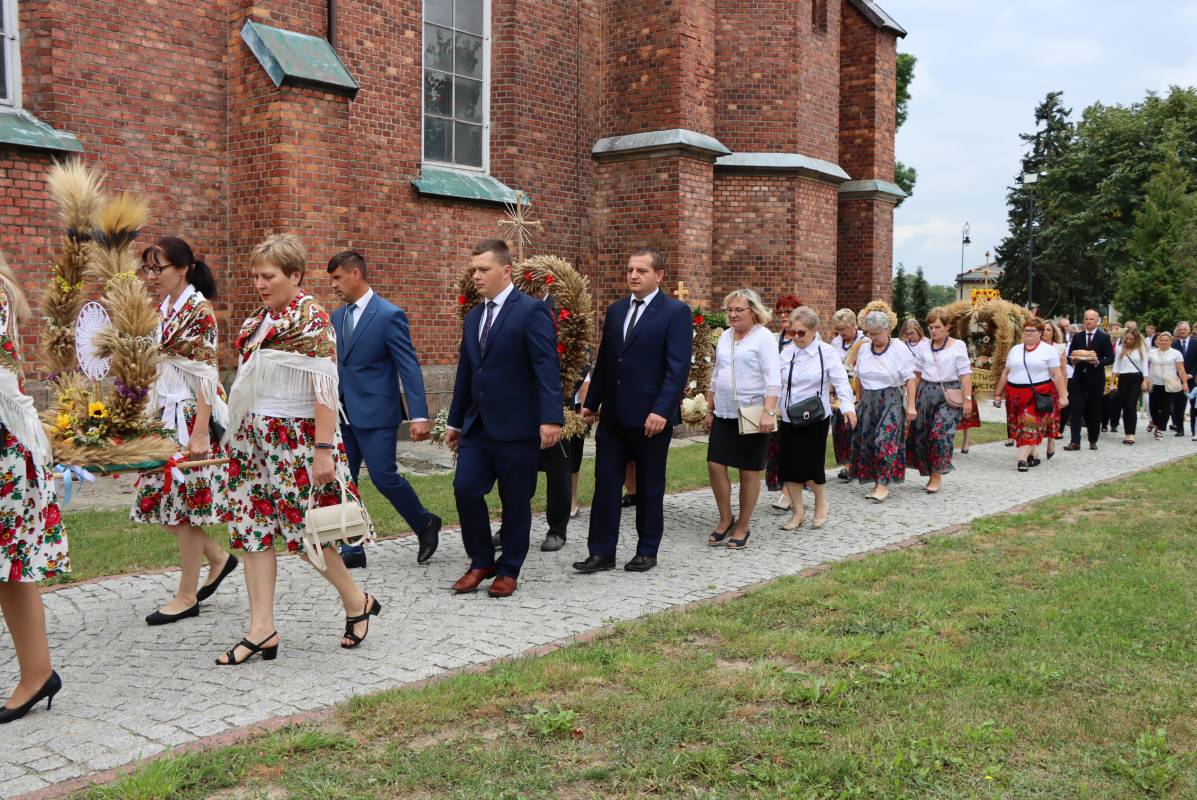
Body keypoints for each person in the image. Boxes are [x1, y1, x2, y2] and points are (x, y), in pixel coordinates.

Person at [218, 234, 381, 664]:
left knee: (308, 533)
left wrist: (323, 450)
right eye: (255, 276)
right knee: (252, 530)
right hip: (252, 441)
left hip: (296, 442)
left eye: (268, 276)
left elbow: (325, 390)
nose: (259, 284)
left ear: (295, 275)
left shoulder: (311, 320)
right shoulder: (258, 322)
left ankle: (356, 600)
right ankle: (262, 629)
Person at [445, 239, 563, 597]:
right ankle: (481, 560)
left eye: (484, 269)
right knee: (465, 488)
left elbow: (546, 367)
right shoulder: (474, 317)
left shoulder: (531, 311)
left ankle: (509, 568)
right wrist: (455, 422)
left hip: (518, 427)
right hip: (478, 426)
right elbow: (467, 372)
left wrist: (551, 418)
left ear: (506, 270)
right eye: (474, 270)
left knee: (515, 501)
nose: (476, 276)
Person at [131, 238, 237, 626]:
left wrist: (200, 432)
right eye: (148, 268)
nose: (152, 275)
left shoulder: (199, 310)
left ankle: (187, 595)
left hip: (192, 415)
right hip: (165, 415)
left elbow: (206, 374)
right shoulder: (166, 308)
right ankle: (218, 558)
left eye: (158, 268)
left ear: (183, 268)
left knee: (187, 511)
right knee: (156, 501)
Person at [573, 248, 692, 573]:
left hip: (651, 417)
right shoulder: (616, 311)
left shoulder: (675, 312)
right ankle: (601, 553)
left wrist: (662, 410)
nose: (634, 275)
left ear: (659, 275)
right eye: (630, 270)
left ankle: (647, 550)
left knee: (649, 486)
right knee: (605, 485)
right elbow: (606, 360)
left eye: (641, 270)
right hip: (613, 416)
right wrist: (591, 402)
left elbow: (677, 368)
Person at [327, 251, 440, 568]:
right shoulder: (336, 317)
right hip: (342, 413)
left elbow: (409, 366)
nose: (333, 285)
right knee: (343, 481)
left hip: (377, 414)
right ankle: (352, 547)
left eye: (337, 278)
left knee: (383, 477)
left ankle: (425, 523)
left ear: (355, 274)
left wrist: (419, 416)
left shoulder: (389, 315)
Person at [0, 256, 68, 723]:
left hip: (7, 445)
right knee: (9, 569)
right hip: (10, 440)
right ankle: (37, 672)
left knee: (11, 567)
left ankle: (37, 674)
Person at [703, 289, 781, 550]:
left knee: (748, 469)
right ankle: (726, 518)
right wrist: (709, 408)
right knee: (715, 464)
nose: (733, 314)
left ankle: (743, 525)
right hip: (724, 411)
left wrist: (769, 412)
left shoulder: (764, 337)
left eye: (739, 310)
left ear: (754, 311)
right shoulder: (725, 336)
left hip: (753, 411)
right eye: (730, 310)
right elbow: (717, 373)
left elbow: (773, 378)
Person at [777, 306, 855, 530]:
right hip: (790, 417)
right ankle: (798, 512)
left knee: (812, 464)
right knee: (790, 465)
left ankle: (821, 504)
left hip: (816, 417)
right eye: (792, 332)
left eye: (801, 333)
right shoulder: (786, 353)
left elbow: (841, 381)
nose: (796, 337)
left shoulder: (826, 352)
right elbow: (775, 382)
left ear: (813, 331)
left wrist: (847, 407)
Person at [848, 310, 918, 502]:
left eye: (877, 333)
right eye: (870, 333)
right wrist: (858, 400)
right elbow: (859, 377)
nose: (873, 337)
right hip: (869, 401)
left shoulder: (898, 348)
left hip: (891, 399)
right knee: (870, 442)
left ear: (887, 330)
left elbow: (910, 378)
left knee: (884, 440)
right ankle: (876, 481)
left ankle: (883, 484)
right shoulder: (864, 349)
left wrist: (911, 406)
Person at [908, 307, 974, 493]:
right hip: (926, 392)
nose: (933, 331)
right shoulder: (923, 346)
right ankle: (930, 472)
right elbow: (916, 375)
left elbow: (965, 375)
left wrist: (967, 400)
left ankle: (937, 475)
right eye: (930, 327)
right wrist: (911, 401)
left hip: (949, 393)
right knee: (923, 435)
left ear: (947, 327)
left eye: (937, 327)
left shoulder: (957, 346)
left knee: (940, 434)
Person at [993, 319, 1070, 471]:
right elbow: (1006, 373)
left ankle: (1022, 459)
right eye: (1026, 330)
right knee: (1020, 427)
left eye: (1032, 330)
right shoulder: (1015, 350)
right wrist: (997, 394)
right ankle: (1034, 454)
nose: (1028, 333)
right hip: (1014, 395)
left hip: (1037, 395)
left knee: (1030, 424)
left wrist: (1063, 396)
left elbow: (1057, 374)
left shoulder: (1048, 351)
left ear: (1040, 333)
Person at [767, 294, 800, 511]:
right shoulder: (773, 339)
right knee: (776, 448)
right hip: (774, 401)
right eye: (780, 312)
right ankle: (785, 488)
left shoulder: (804, 338)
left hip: (796, 401)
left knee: (792, 448)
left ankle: (788, 493)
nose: (783, 316)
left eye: (788, 311)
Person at [1064, 309, 1114, 451]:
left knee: (1094, 410)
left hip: (1095, 379)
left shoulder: (1104, 337)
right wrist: (1073, 360)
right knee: (1076, 409)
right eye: (1086, 319)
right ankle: (1075, 441)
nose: (1088, 321)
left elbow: (1111, 357)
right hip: (1079, 378)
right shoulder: (1077, 336)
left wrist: (1098, 362)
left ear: (1097, 321)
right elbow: (1070, 354)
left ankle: (1093, 440)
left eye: (1091, 319)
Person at [830, 308, 865, 477]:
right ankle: (847, 464)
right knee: (840, 428)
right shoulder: (836, 343)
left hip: (859, 390)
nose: (840, 333)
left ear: (854, 325)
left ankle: (855, 465)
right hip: (840, 392)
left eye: (843, 329)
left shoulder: (864, 342)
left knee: (855, 427)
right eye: (838, 329)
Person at [1148, 331, 1190, 440]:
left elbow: (1181, 369)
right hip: (1154, 383)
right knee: (1153, 408)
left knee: (1165, 408)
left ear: (1171, 341)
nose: (1164, 342)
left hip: (1169, 385)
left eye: (1166, 340)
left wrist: (1185, 382)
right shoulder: (1151, 353)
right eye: (1162, 340)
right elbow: (1145, 366)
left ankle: (1160, 429)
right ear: (1158, 341)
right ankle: (1156, 423)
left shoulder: (1176, 353)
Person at [1112, 327, 1148, 445]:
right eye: (1127, 338)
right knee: (1125, 406)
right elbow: (1116, 365)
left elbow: (1145, 365)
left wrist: (1145, 380)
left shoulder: (1141, 348)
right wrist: (1112, 382)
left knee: (1131, 405)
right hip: (1123, 378)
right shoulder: (1120, 348)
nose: (1128, 341)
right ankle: (1127, 433)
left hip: (1136, 378)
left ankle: (1131, 434)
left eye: (1131, 339)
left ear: (1136, 339)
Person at [1040, 320, 1069, 457]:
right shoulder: (1035, 346)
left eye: (1048, 330)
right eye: (1043, 330)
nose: (1045, 332)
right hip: (1039, 385)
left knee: (1052, 415)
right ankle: (1033, 444)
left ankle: (1051, 440)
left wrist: (1064, 391)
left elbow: (1063, 371)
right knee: (1038, 415)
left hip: (1054, 386)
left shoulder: (1059, 348)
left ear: (1053, 333)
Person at [1170, 322, 1196, 437]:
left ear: (1189, 330)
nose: (1182, 331)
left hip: (1193, 379)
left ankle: (1194, 430)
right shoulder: (1173, 345)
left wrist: (1191, 374)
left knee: (1194, 405)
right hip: (1178, 379)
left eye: (1184, 329)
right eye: (1180, 329)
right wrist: (1180, 375)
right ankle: (1180, 429)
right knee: (1178, 405)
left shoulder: (1195, 343)